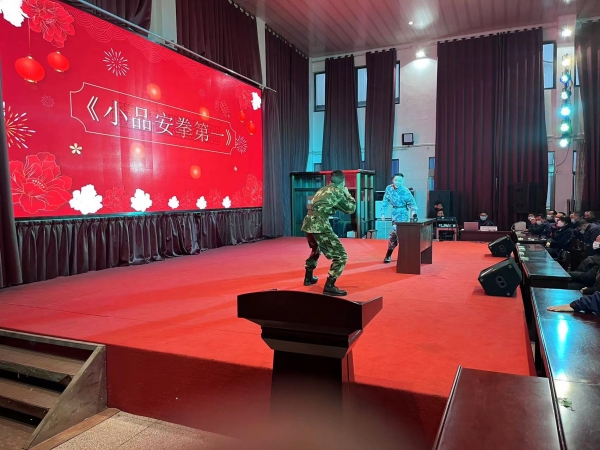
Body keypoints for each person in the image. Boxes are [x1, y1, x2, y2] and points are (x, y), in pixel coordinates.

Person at [302, 170, 356, 296]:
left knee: (316, 249)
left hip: (308, 223)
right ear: (342, 182)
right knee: (341, 256)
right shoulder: (337, 191)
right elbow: (350, 209)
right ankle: (329, 286)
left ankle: (308, 277)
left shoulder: (322, 189)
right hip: (320, 225)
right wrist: (347, 194)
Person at [380, 173, 418, 263]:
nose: (397, 182)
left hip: (403, 214)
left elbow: (412, 203)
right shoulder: (389, 188)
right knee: (394, 235)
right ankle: (389, 254)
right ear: (393, 180)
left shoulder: (405, 191)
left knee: (400, 234)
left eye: (400, 181)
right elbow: (385, 200)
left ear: (402, 181)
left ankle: (403, 256)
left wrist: (414, 213)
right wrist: (382, 212)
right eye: (396, 180)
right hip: (394, 213)